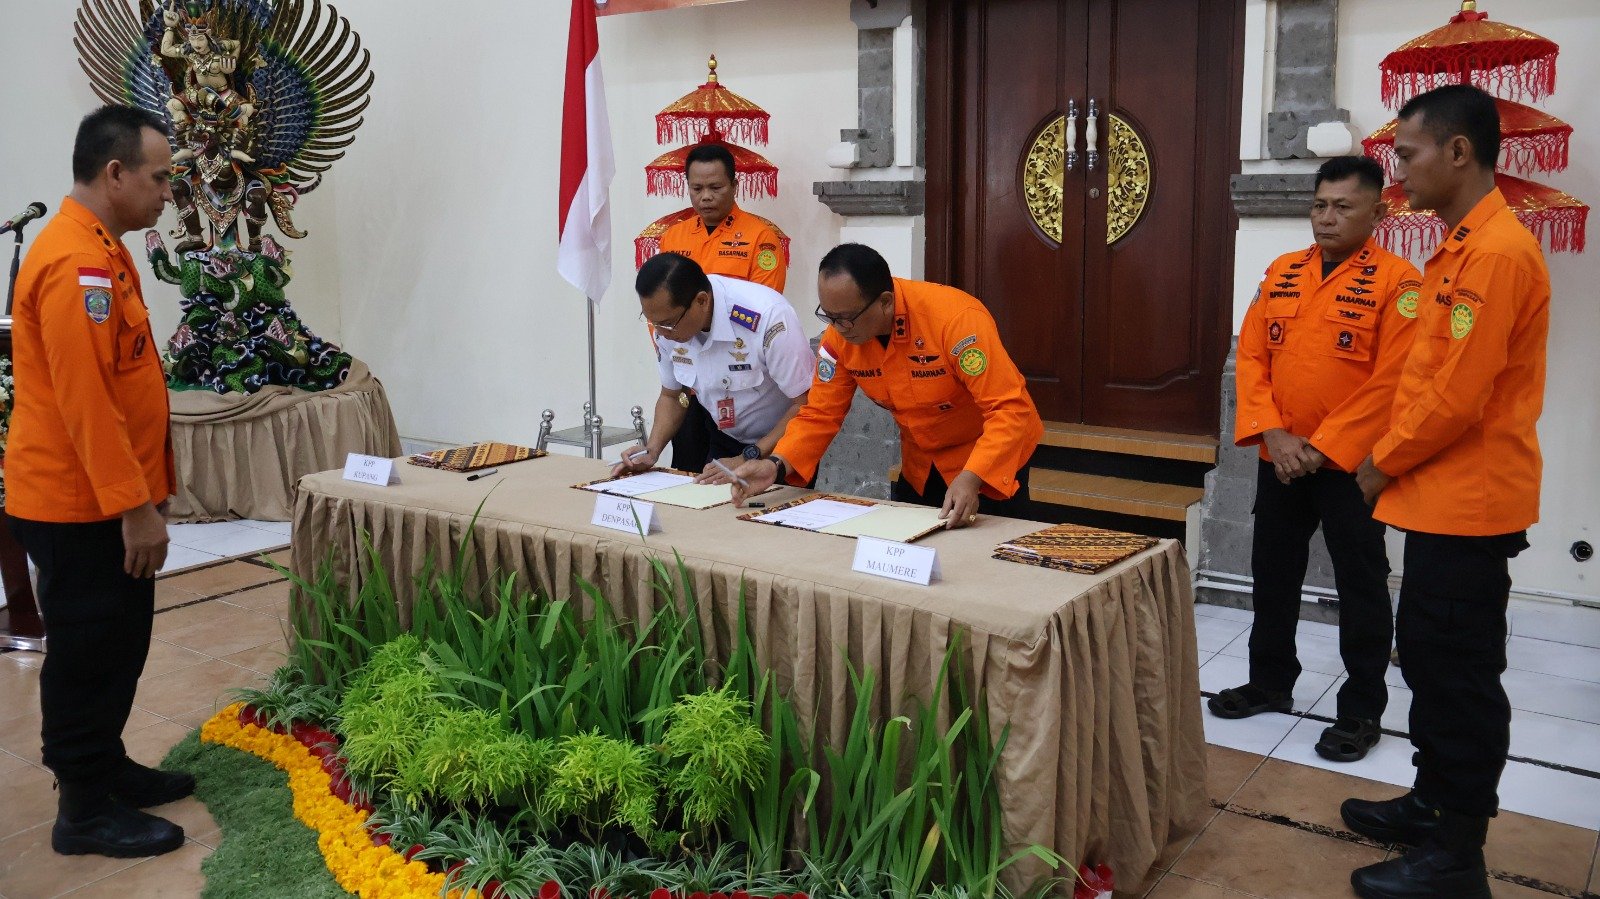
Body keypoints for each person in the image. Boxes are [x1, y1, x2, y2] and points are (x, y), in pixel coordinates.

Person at [1338, 85, 1549, 899]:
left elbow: (1456, 397)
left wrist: (1379, 460)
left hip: (1470, 503)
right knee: (1428, 656)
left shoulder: (1496, 254)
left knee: (1459, 676)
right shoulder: (1460, 249)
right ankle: (1431, 805)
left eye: (1407, 154)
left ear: (1458, 152)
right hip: (1439, 499)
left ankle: (1458, 853)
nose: (1398, 171)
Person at [5, 105, 193, 858]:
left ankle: (105, 765)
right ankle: (82, 809)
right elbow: (87, 403)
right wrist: (135, 507)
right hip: (78, 504)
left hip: (102, 500)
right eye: (160, 178)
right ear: (115, 173)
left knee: (119, 641)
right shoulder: (73, 264)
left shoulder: (102, 249)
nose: (169, 193)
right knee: (88, 652)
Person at [1209, 156, 1421, 764]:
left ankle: (1361, 711)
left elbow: (1393, 381)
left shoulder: (1399, 284)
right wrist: (1275, 436)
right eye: (1319, 205)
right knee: (1272, 574)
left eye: (1342, 207)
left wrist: (1322, 447)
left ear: (1377, 213)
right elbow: (1252, 358)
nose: (1326, 218)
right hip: (1280, 458)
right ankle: (1270, 682)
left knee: (1361, 584)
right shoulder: (1281, 272)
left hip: (1350, 467)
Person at [726, 243, 1043, 528]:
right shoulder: (839, 338)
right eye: (828, 316)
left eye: (845, 318)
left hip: (986, 458)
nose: (837, 329)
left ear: (886, 302)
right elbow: (820, 413)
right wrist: (776, 465)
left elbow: (1009, 408)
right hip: (922, 462)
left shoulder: (955, 320)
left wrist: (973, 477)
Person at [614, 253, 813, 478]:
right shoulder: (667, 326)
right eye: (653, 322)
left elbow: (804, 404)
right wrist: (651, 450)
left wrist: (748, 456)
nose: (661, 333)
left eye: (668, 324)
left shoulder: (768, 316)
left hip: (783, 444)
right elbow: (673, 396)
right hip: (726, 438)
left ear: (702, 301)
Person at [655, 143, 789, 472]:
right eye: (697, 188)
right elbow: (661, 303)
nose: (706, 197)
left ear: (734, 185)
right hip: (690, 383)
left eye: (716, 187)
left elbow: (762, 311)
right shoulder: (673, 237)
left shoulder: (760, 237)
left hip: (739, 381)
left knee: (735, 475)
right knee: (687, 470)